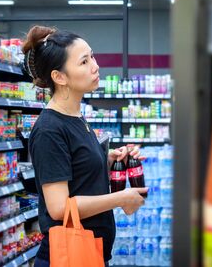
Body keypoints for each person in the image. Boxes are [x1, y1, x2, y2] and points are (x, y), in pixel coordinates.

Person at [22, 26, 148, 267]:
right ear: (59, 77)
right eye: (84, 61)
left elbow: (77, 170)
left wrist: (110, 159)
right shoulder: (49, 129)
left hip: (90, 252)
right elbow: (59, 208)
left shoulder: (75, 117)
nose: (95, 65)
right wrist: (120, 198)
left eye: (92, 56)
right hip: (68, 257)